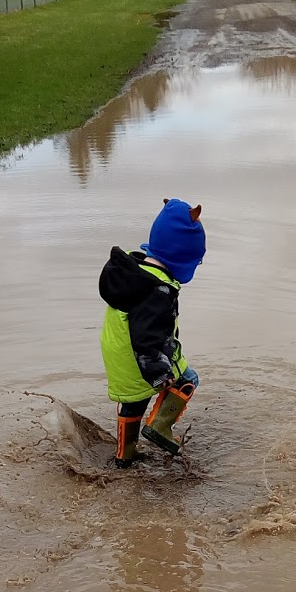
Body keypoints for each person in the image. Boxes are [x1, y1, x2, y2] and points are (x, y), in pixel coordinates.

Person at [99, 197, 205, 468]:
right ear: (184, 254)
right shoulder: (158, 289)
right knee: (187, 379)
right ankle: (159, 427)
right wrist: (159, 373)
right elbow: (146, 335)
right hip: (141, 357)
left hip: (119, 355)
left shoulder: (135, 272)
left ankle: (125, 454)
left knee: (134, 402)